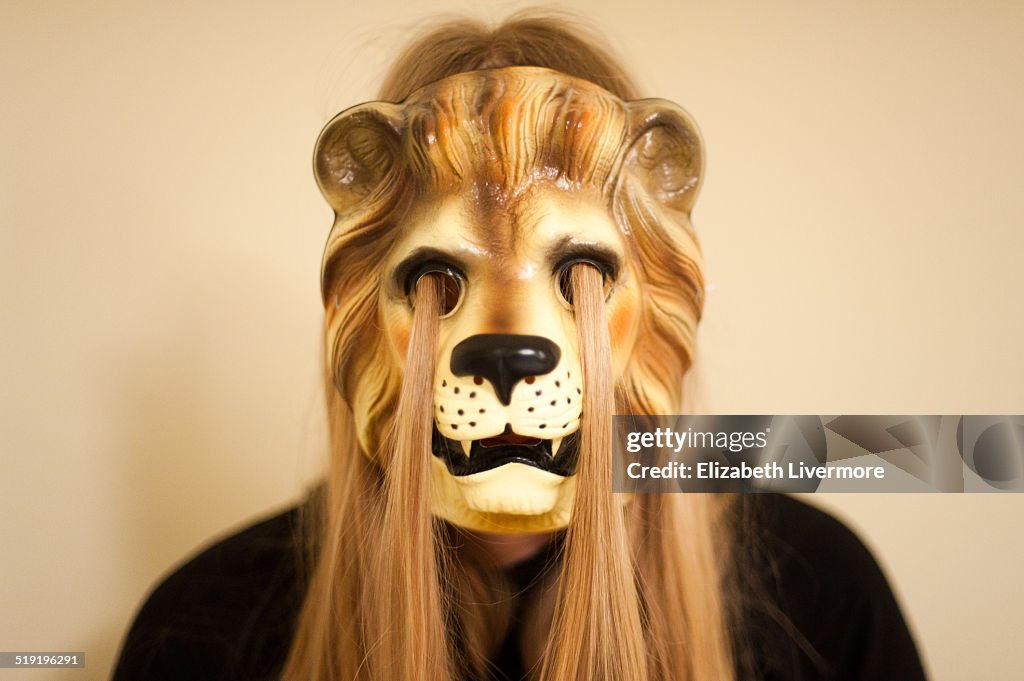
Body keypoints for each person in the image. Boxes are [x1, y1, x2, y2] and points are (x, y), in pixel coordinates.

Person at [112, 15, 927, 681]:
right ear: (356, 317)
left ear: (661, 307)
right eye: (437, 278)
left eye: (580, 272)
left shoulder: (824, 594)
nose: (509, 346)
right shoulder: (200, 630)